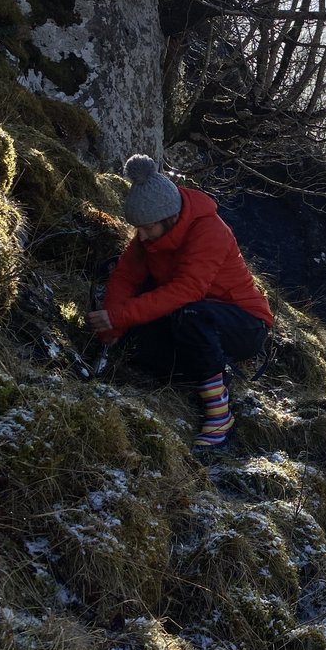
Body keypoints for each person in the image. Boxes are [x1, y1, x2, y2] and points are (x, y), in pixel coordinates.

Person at [85, 154, 273, 451]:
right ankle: (196, 373)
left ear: (168, 218)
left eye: (146, 228)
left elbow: (187, 290)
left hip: (244, 322)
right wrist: (111, 324)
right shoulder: (151, 233)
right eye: (138, 228)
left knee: (192, 313)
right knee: (144, 340)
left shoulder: (209, 231)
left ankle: (219, 413)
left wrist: (120, 316)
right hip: (189, 318)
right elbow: (125, 276)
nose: (141, 236)